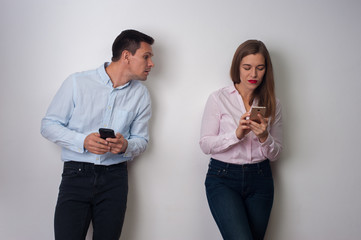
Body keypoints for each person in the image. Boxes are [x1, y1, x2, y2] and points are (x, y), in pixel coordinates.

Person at [41, 29, 155, 240]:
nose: (151, 64)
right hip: (76, 176)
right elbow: (48, 125)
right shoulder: (77, 82)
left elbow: (142, 141)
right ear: (126, 56)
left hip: (115, 179)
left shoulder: (141, 95)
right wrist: (82, 141)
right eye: (146, 56)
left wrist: (125, 146)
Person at [199, 40, 283, 240]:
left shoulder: (273, 103)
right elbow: (205, 144)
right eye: (247, 67)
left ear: (266, 70)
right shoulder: (218, 98)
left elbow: (276, 153)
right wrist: (236, 135)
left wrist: (264, 136)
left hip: (261, 178)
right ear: (237, 67)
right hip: (223, 178)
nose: (253, 74)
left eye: (260, 68)